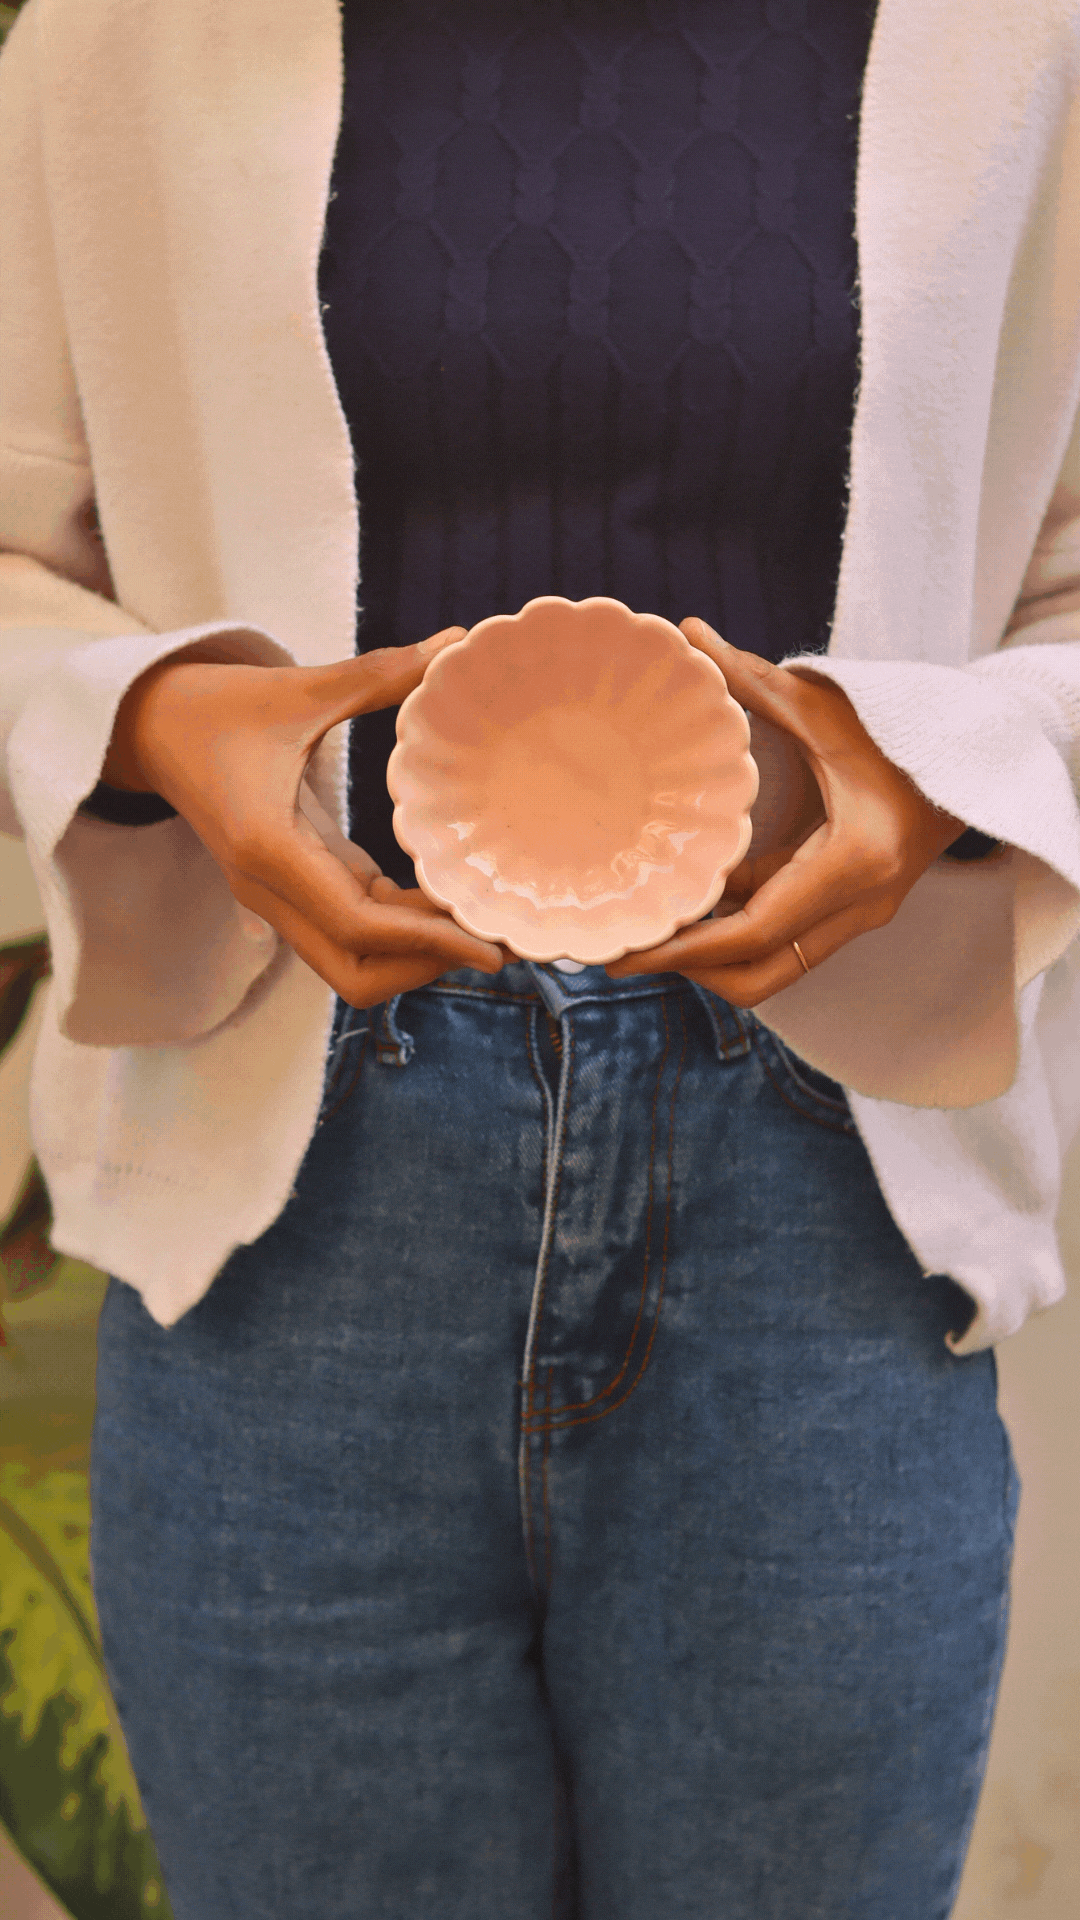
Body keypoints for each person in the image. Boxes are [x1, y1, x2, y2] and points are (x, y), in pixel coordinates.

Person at [1, 0, 1079, 1914]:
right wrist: (158, 720)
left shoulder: (1022, 39)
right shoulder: (128, 33)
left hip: (826, 1211)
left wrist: (935, 770)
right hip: (286, 1209)